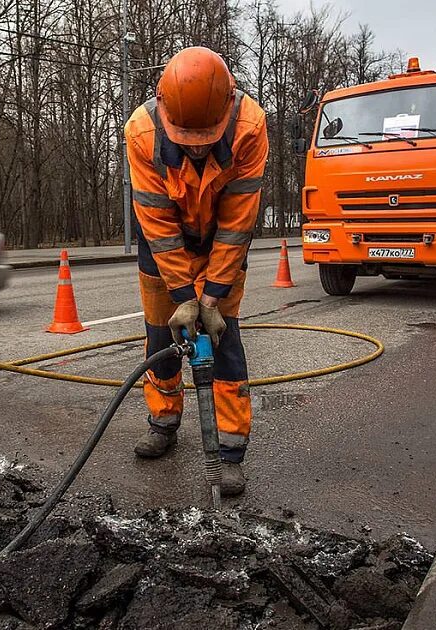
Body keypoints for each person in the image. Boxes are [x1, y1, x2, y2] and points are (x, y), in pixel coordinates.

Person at [124, 46, 269, 496]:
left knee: (222, 338)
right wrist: (184, 297)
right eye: (189, 136)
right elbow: (158, 225)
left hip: (222, 245)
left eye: (207, 135)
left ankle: (229, 452)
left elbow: (238, 220)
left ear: (227, 108)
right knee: (161, 338)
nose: (200, 145)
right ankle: (163, 423)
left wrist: (210, 299)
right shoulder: (142, 132)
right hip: (163, 246)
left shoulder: (250, 127)